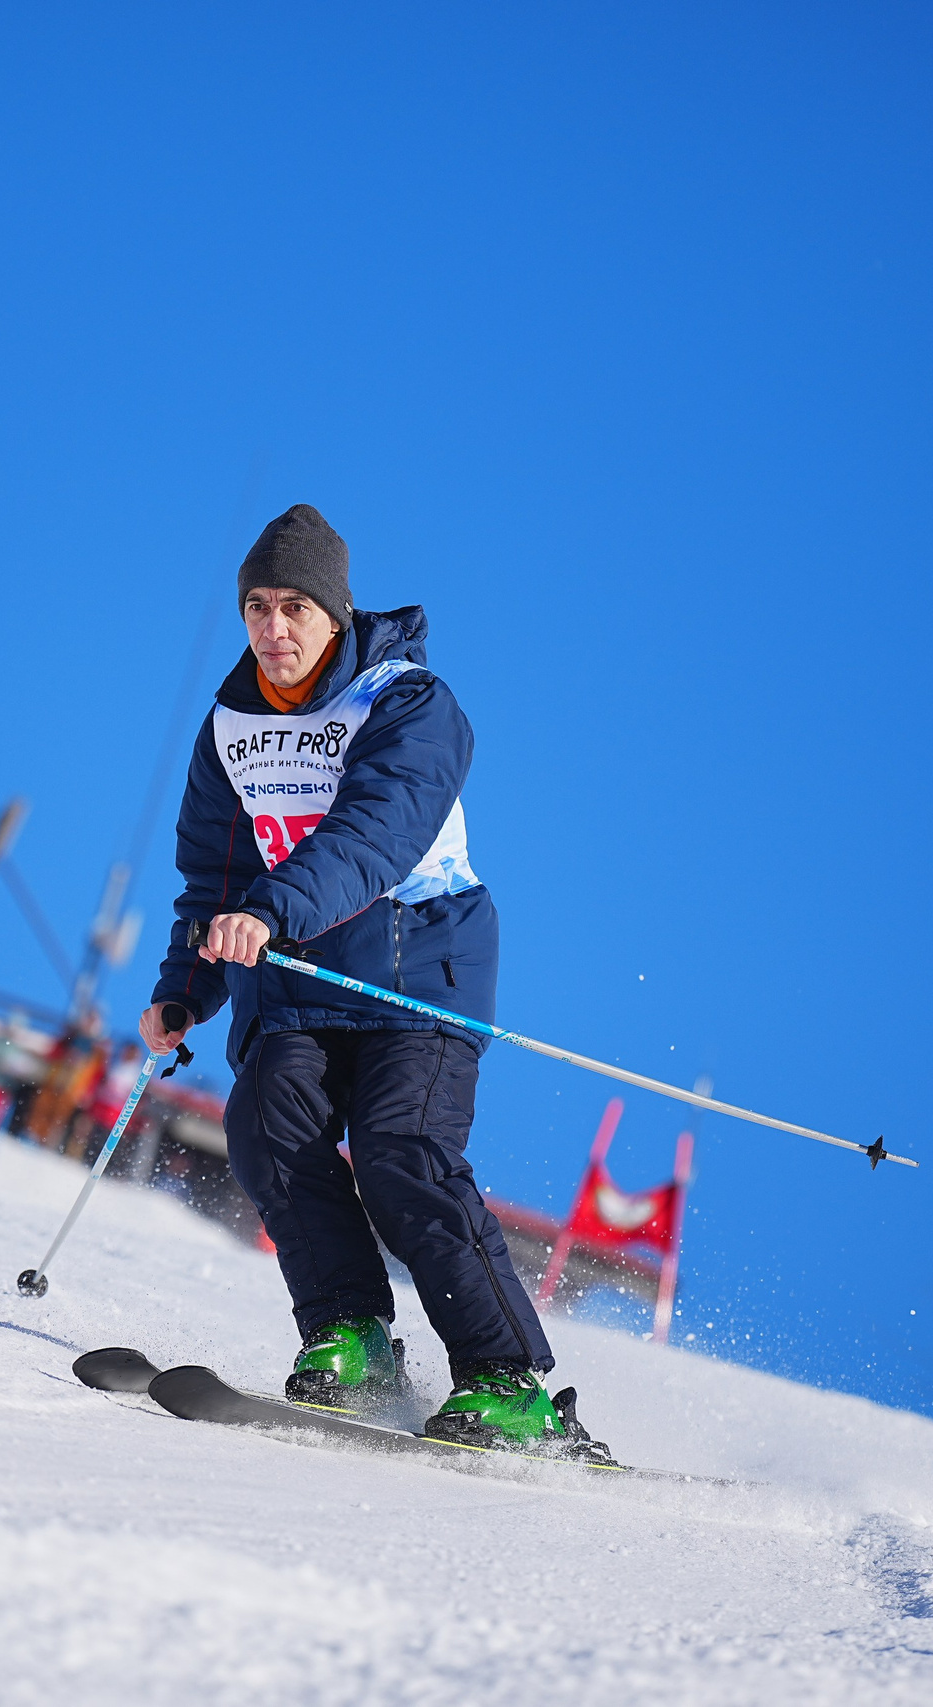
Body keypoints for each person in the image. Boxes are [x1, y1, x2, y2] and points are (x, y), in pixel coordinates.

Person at [141, 503, 606, 1458]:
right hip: (297, 977)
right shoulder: (230, 727)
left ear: (337, 614)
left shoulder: (408, 703)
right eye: (257, 608)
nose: (274, 630)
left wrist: (271, 912)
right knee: (269, 1126)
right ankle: (351, 1338)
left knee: (402, 1152)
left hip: (416, 968)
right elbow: (213, 876)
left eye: (295, 609)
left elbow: (375, 837)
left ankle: (505, 1380)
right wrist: (188, 984)